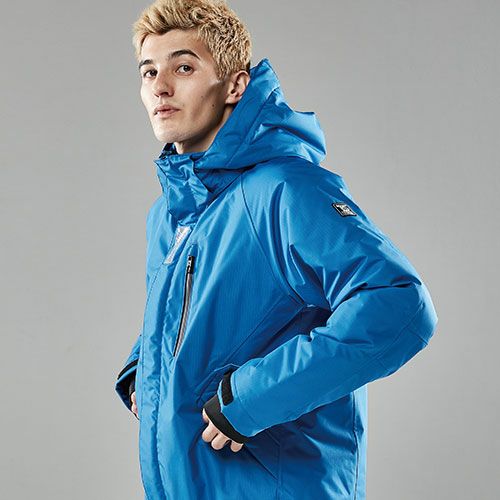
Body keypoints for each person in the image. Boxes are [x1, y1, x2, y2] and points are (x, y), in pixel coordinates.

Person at [114, 1, 439, 498]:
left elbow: (399, 304)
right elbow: (212, 314)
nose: (160, 87)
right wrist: (146, 366)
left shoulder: (286, 189)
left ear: (235, 86)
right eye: (149, 71)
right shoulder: (168, 215)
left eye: (183, 67)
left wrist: (252, 398)